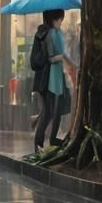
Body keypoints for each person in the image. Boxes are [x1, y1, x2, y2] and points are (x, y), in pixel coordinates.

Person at [33, 9, 74, 151]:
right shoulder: (48, 34)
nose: (60, 22)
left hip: (57, 75)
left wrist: (74, 64)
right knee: (49, 111)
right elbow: (51, 57)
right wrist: (61, 58)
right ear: (52, 20)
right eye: (58, 19)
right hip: (48, 77)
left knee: (58, 109)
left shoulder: (58, 33)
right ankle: (38, 142)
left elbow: (64, 54)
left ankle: (52, 139)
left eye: (61, 19)